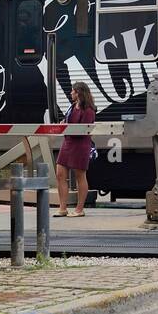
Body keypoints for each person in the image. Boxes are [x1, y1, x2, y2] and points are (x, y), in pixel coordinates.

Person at [57, 82, 96, 217]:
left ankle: (79, 209)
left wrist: (67, 127)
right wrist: (64, 124)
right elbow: (68, 121)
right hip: (68, 142)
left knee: (80, 176)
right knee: (60, 174)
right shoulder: (72, 107)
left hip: (81, 144)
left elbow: (84, 129)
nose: (71, 93)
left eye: (73, 91)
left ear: (79, 92)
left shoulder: (88, 110)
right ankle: (62, 208)